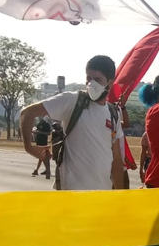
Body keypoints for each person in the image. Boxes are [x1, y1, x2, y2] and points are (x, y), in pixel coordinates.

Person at [19, 55, 126, 191]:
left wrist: (120, 194)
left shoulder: (113, 113)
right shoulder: (72, 100)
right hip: (71, 193)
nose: (91, 84)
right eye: (88, 78)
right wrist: (29, 147)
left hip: (102, 194)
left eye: (97, 79)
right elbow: (27, 113)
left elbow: (116, 159)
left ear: (110, 82)